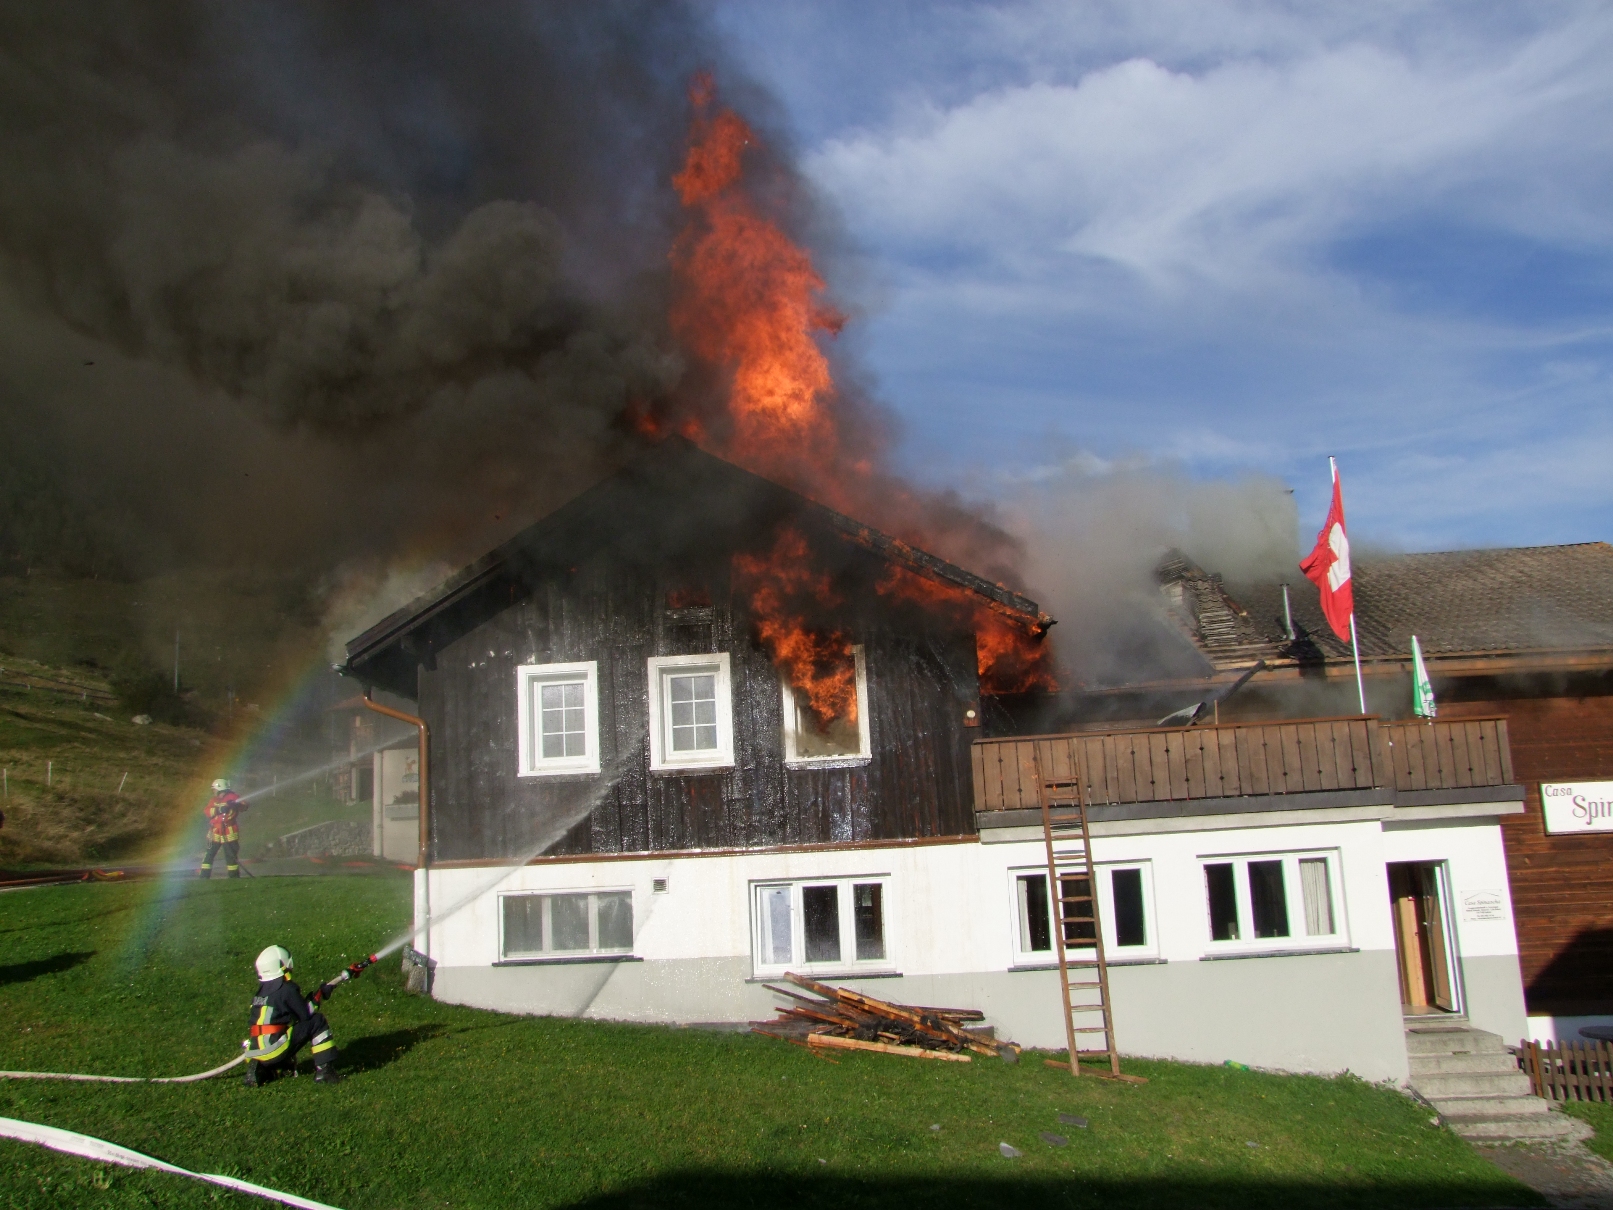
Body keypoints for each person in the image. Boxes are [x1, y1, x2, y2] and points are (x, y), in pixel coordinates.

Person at [243, 945, 352, 1086]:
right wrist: (320, 995)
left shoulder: (260, 993)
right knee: (317, 1021)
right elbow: (305, 1015)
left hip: (254, 1051)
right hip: (274, 1049)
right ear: (282, 965)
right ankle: (325, 1072)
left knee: (285, 1032)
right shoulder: (286, 989)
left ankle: (263, 1070)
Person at [199, 778, 247, 878]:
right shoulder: (214, 800)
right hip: (215, 831)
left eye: (214, 789)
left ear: (220, 789)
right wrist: (218, 810)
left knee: (231, 856)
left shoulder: (233, 797)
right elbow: (207, 811)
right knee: (209, 855)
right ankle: (203, 877)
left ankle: (234, 878)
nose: (213, 791)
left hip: (229, 831)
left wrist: (236, 804)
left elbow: (245, 806)